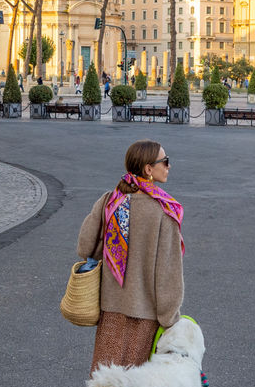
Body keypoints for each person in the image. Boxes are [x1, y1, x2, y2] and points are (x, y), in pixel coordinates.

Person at [76, 140, 185, 373]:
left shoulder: (110, 200)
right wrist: (170, 319)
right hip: (145, 316)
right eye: (165, 162)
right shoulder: (164, 211)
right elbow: (167, 273)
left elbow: (86, 245)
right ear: (148, 169)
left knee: (105, 385)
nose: (169, 166)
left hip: (110, 310)